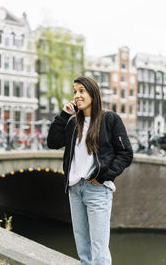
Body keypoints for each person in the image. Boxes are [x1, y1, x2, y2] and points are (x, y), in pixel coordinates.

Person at [47, 76, 133, 265]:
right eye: (74, 91)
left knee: (99, 247)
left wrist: (103, 177)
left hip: (97, 189)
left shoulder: (110, 119)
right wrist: (63, 115)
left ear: (92, 94)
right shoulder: (71, 122)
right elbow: (52, 143)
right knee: (83, 247)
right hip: (74, 189)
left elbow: (126, 153)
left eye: (81, 91)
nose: (77, 95)